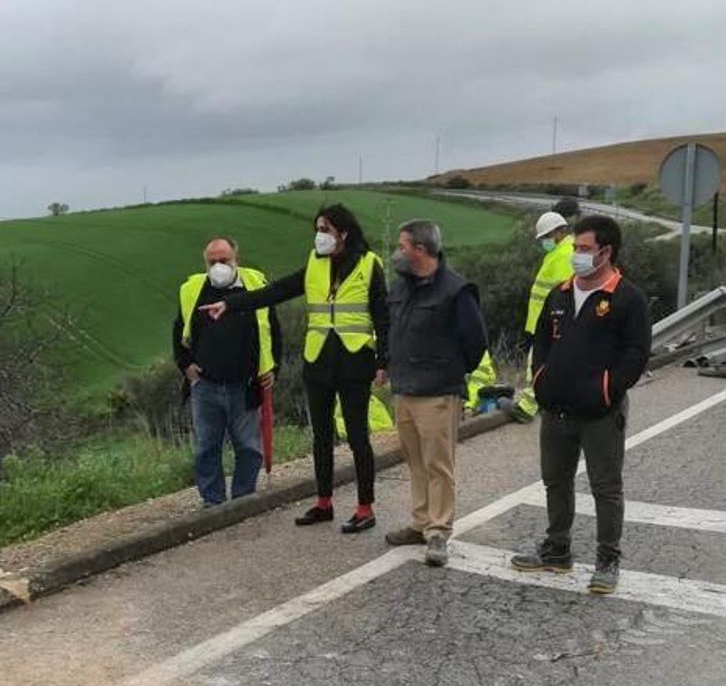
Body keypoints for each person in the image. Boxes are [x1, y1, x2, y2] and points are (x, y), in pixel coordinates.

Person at [201, 205, 389, 533]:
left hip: (355, 360)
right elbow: (275, 292)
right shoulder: (314, 264)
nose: (319, 235)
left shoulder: (370, 265)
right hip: (318, 361)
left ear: (343, 232)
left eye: (325, 229)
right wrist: (230, 304)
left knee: (358, 436)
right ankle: (324, 502)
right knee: (321, 436)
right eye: (317, 228)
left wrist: (385, 362)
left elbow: (384, 317)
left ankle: (364, 506)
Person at [510, 215, 650, 594]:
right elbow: (541, 343)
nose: (576, 255)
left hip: (601, 413)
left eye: (584, 249)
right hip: (556, 408)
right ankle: (557, 548)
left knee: (605, 486)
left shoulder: (627, 299)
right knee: (555, 480)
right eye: (576, 248)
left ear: (606, 252)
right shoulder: (560, 293)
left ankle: (608, 558)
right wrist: (541, 381)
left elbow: (636, 354)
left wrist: (607, 390)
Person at [381, 220, 487, 567]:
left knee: (439, 464)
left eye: (402, 246)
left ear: (420, 250)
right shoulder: (401, 287)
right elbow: (390, 330)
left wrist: (449, 373)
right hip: (405, 389)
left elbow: (475, 342)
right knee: (415, 461)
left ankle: (438, 530)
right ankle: (420, 521)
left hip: (438, 392)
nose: (397, 252)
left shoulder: (456, 290)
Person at [173, 237, 282, 507]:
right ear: (205, 263)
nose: (219, 266)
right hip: (206, 385)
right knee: (206, 448)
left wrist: (273, 367)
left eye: (224, 260)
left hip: (245, 385)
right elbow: (179, 330)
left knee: (248, 447)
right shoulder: (193, 290)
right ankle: (214, 503)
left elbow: (273, 328)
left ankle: (243, 501)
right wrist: (186, 365)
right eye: (213, 262)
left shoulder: (255, 286)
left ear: (236, 259)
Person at [510, 211, 575, 422]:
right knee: (541, 361)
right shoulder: (557, 253)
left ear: (559, 231)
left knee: (538, 362)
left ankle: (527, 407)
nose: (544, 242)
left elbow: (564, 293)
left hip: (549, 322)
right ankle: (545, 401)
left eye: (547, 237)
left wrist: (556, 323)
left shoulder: (565, 255)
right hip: (542, 320)